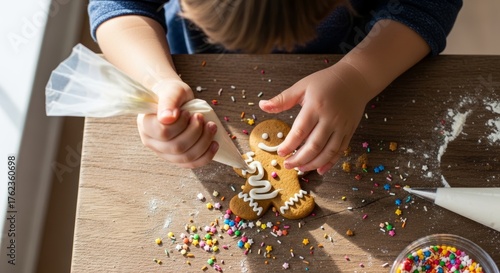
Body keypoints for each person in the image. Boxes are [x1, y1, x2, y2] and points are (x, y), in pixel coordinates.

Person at [88, 0, 462, 174]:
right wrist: (155, 81)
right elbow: (118, 5)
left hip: (367, 53)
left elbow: (425, 6)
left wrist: (359, 76)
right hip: (190, 66)